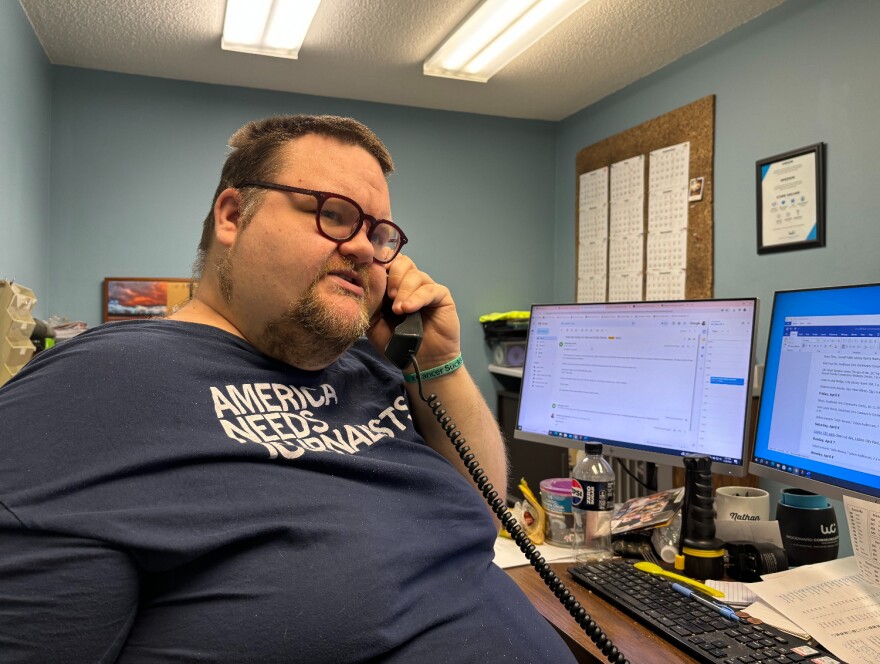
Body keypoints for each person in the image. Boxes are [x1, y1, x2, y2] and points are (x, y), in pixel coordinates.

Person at [0, 115, 577, 662]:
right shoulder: (90, 388)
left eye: (378, 233)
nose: (361, 247)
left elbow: (480, 511)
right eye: (332, 213)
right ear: (233, 215)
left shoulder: (371, 367)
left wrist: (439, 363)